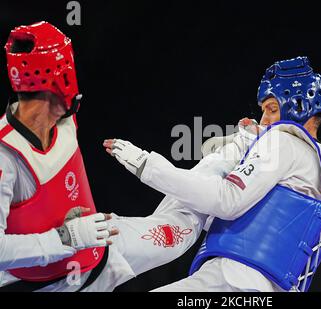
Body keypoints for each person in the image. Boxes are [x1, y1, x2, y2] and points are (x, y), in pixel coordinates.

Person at [0, 21, 240, 292]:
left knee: (178, 230)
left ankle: (237, 148)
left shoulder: (64, 119)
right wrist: (66, 238)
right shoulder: (6, 156)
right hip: (48, 285)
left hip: (103, 243)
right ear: (62, 74)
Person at [104, 56, 321, 292]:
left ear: (298, 107)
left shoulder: (284, 141)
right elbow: (221, 216)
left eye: (272, 109)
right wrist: (237, 151)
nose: (264, 120)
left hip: (235, 282)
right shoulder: (320, 171)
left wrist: (149, 166)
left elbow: (226, 200)